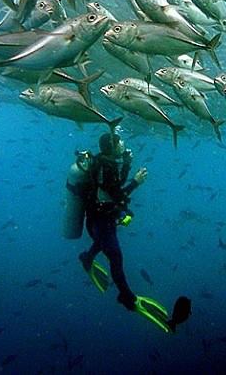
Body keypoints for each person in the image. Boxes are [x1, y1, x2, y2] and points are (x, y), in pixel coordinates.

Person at [65, 131, 171, 333]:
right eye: (120, 141)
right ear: (113, 147)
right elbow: (118, 194)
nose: (123, 143)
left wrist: (127, 164)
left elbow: (114, 186)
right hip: (100, 220)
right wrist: (136, 182)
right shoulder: (106, 166)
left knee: (103, 243)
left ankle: (87, 259)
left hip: (100, 219)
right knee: (115, 256)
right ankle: (127, 297)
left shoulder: (103, 162)